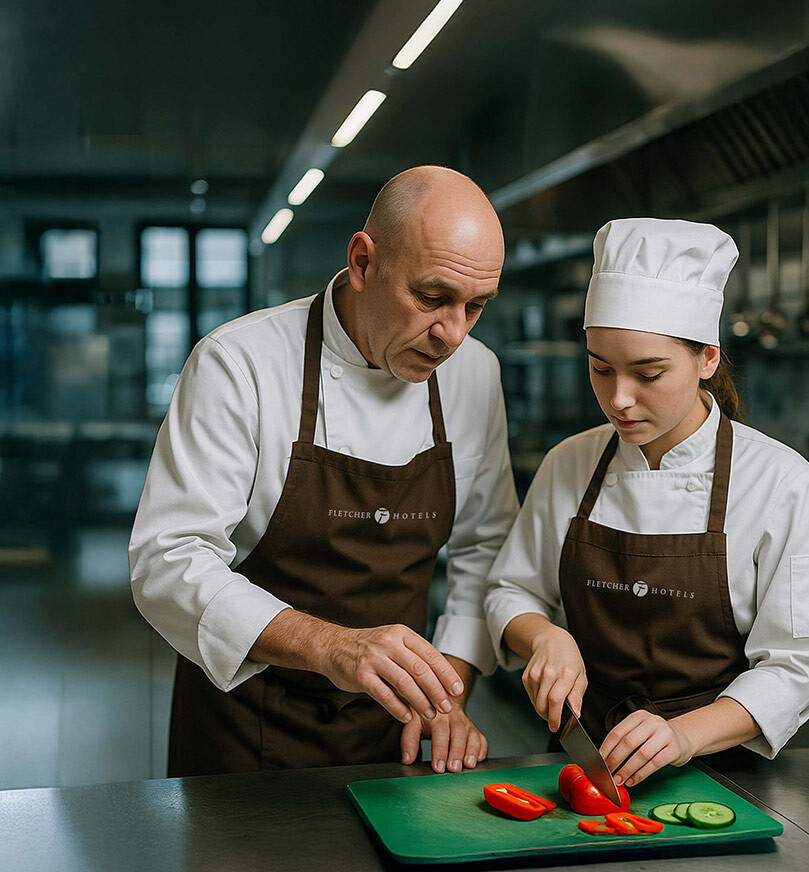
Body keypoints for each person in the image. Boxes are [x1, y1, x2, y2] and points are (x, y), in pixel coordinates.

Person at [130, 166, 518, 777]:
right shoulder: (240, 363)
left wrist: (445, 691)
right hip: (246, 721)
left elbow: (485, 546)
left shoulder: (476, 373)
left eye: (476, 307)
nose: (452, 334)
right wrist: (332, 646)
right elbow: (169, 559)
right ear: (363, 262)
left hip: (393, 726)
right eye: (432, 298)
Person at [485, 218, 809, 789]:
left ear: (707, 359)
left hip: (724, 778)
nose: (618, 399)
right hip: (585, 775)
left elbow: (797, 667)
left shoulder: (782, 482)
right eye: (600, 368)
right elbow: (510, 590)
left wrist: (684, 735)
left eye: (647, 373)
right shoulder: (569, 463)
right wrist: (546, 637)